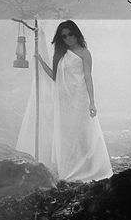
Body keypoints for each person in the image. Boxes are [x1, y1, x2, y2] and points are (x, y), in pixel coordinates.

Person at [15, 19, 113, 182]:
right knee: (67, 134)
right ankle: (68, 169)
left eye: (70, 34)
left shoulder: (84, 53)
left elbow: (88, 77)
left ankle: (89, 167)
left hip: (79, 98)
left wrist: (92, 102)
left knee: (82, 133)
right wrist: (40, 61)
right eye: (64, 36)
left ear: (76, 34)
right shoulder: (61, 54)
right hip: (64, 100)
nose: (68, 38)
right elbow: (55, 77)